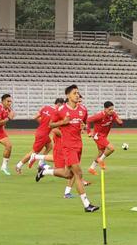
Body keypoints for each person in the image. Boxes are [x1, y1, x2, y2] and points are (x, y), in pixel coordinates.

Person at [44, 84, 99, 212]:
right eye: (75, 93)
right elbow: (51, 124)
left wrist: (84, 128)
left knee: (68, 174)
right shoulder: (61, 110)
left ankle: (45, 171)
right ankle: (87, 205)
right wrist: (63, 122)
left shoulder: (83, 109)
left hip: (79, 145)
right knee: (78, 174)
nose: (77, 95)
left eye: (78, 93)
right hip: (68, 146)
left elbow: (84, 124)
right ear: (68, 95)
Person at [16, 96, 63, 175]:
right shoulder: (56, 112)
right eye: (62, 106)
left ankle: (41, 163)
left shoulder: (45, 107)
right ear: (59, 104)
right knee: (33, 152)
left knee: (49, 146)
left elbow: (35, 117)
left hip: (39, 132)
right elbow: (54, 126)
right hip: (43, 135)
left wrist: (43, 123)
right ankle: (18, 166)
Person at [86, 101, 124, 175]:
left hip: (104, 136)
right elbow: (88, 120)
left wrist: (120, 122)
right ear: (105, 109)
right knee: (111, 148)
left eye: (112, 109)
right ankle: (100, 160)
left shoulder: (113, 114)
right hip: (98, 136)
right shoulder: (99, 116)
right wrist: (88, 132)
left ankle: (91, 168)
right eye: (110, 109)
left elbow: (120, 122)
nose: (111, 111)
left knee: (101, 153)